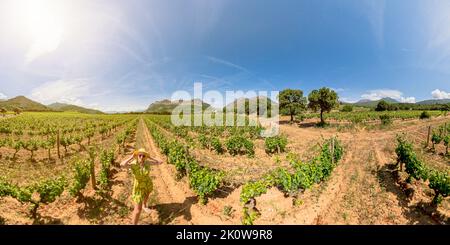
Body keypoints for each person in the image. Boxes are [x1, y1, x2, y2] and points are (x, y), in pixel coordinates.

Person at [120, 148, 162, 225]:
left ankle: (144, 205)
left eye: (143, 155)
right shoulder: (133, 164)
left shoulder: (147, 162)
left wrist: (150, 157)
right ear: (137, 156)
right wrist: (131, 157)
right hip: (138, 186)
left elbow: (160, 162)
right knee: (137, 210)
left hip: (147, 182)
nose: (141, 157)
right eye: (140, 155)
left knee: (147, 193)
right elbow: (122, 165)